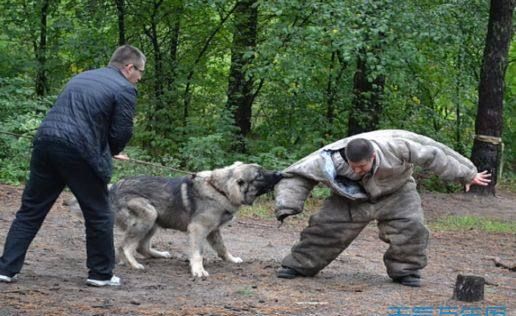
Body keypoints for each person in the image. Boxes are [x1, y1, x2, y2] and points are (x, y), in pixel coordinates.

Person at [0, 45, 146, 287]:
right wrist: (112, 150)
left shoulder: (82, 76)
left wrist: (103, 147)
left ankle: (5, 269)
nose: (140, 78)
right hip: (79, 150)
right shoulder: (124, 88)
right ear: (128, 67)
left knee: (30, 211)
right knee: (99, 213)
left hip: (46, 143)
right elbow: (121, 132)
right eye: (140, 72)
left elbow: (77, 116)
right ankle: (100, 274)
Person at [274, 129, 491, 287]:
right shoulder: (329, 159)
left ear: (373, 156)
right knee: (326, 229)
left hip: (397, 191)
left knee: (411, 228)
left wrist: (467, 173)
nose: (357, 170)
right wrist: (287, 204)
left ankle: (406, 271)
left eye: (362, 166)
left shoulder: (396, 145)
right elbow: (296, 174)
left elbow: (435, 154)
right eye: (353, 166)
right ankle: (299, 264)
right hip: (351, 198)